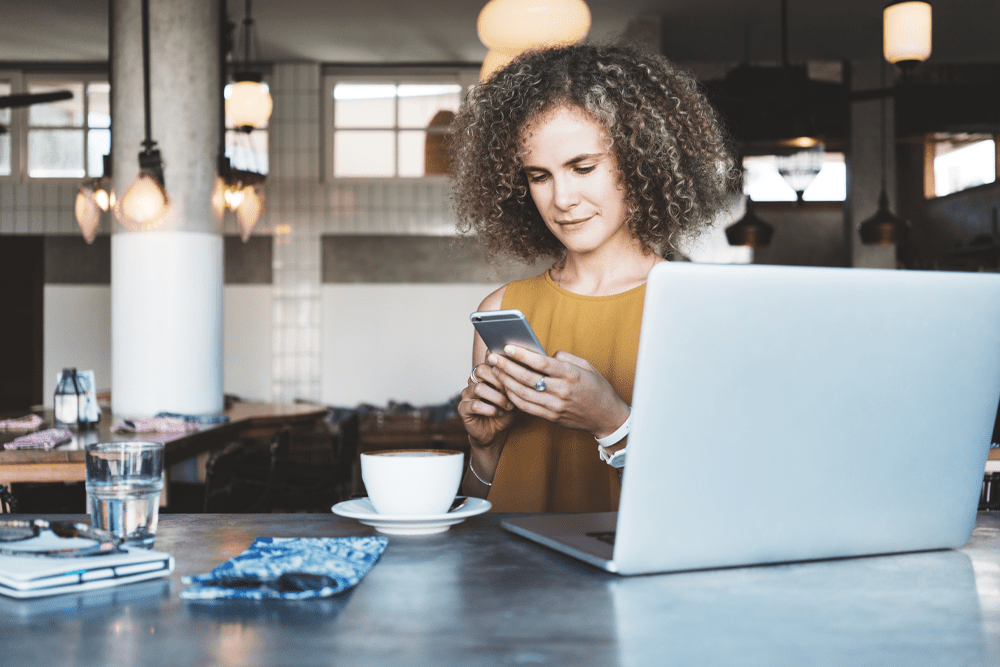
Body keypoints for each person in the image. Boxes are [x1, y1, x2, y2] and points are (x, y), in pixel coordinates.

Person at [450, 41, 739, 513]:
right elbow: (481, 505)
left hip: (635, 582)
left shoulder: (700, 308)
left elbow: (715, 501)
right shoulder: (500, 310)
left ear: (641, 160)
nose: (561, 198)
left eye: (582, 167)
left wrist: (612, 421)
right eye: (539, 176)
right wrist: (483, 448)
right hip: (514, 582)